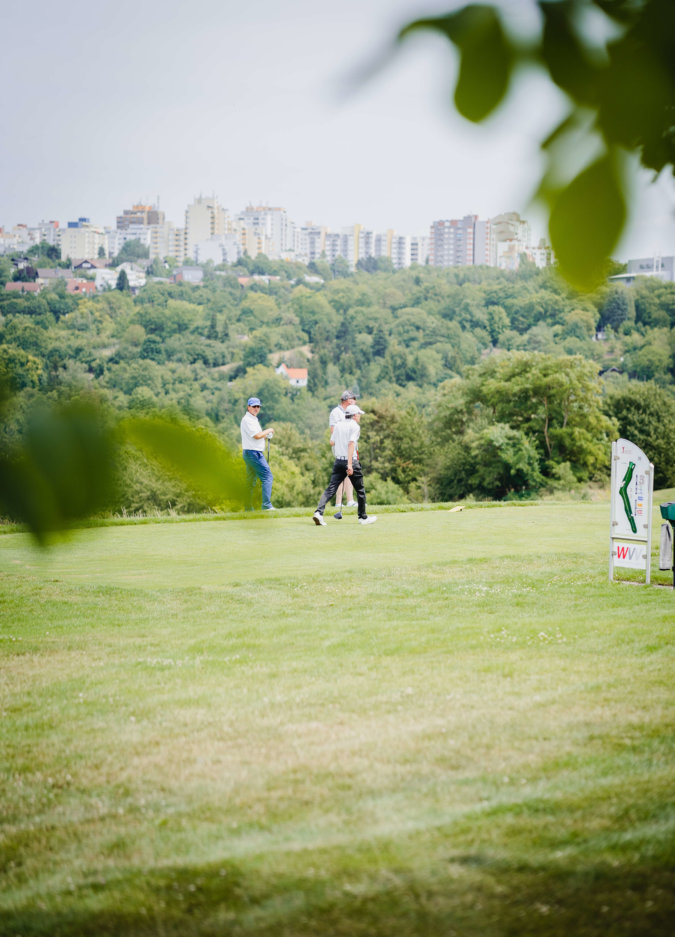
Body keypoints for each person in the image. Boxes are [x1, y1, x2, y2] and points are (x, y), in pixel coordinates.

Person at [313, 404, 377, 526]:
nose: (360, 417)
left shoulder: (338, 425)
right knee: (360, 490)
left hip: (338, 461)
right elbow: (351, 444)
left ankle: (318, 513)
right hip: (350, 461)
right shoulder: (355, 426)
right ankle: (363, 517)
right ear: (354, 416)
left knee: (331, 488)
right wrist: (349, 465)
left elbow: (332, 442)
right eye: (359, 414)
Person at [240, 396, 275, 511]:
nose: (256, 408)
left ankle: (248, 508)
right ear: (248, 407)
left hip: (252, 452)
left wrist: (265, 435)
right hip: (253, 453)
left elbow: (258, 436)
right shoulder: (247, 420)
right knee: (267, 476)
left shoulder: (253, 419)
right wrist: (269, 430)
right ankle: (266, 505)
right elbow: (257, 435)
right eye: (254, 406)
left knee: (250, 481)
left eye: (258, 406)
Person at [329, 390, 358, 519]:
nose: (355, 402)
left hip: (350, 447)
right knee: (342, 474)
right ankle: (338, 502)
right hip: (340, 448)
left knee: (349, 473)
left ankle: (350, 500)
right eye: (353, 399)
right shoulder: (336, 413)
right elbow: (333, 432)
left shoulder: (350, 412)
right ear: (348, 400)